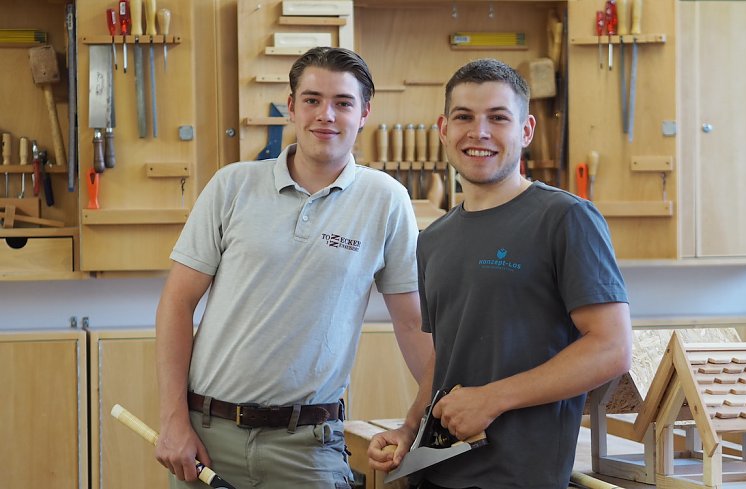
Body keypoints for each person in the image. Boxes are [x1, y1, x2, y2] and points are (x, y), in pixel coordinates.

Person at [154, 46, 432, 489]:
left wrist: (430, 413)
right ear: (291, 107)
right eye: (312, 100)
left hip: (308, 448)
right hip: (208, 436)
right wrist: (173, 420)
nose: (326, 114)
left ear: (364, 113)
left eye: (343, 103)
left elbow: (414, 323)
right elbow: (176, 302)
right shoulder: (232, 185)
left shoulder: (385, 200)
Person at [367, 58, 633, 489]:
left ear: (525, 131)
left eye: (498, 118)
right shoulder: (433, 239)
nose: (479, 132)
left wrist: (493, 399)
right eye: (464, 117)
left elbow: (612, 348)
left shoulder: (566, 219)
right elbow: (445, 353)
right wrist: (408, 429)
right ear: (443, 129)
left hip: (520, 478)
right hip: (435, 474)